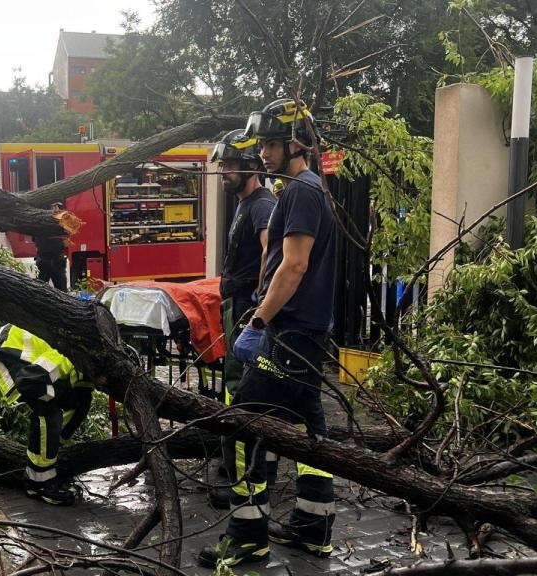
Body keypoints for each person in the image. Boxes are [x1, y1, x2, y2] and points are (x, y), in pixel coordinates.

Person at [198, 98, 337, 567]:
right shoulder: (309, 189)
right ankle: (312, 527)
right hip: (307, 333)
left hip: (288, 332)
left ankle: (246, 537)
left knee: (242, 426)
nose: (264, 151)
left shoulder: (299, 191)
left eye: (271, 143)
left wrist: (259, 319)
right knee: (310, 433)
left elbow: (293, 265)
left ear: (295, 143)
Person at [208, 129, 277, 509]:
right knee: (234, 388)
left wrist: (259, 301)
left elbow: (271, 249)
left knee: (239, 391)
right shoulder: (244, 204)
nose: (225, 172)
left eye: (231, 165)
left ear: (251, 165)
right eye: (224, 165)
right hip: (236, 303)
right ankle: (235, 468)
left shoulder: (263, 206)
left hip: (246, 308)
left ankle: (239, 482)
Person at [0, 324, 92, 506]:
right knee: (48, 412)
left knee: (80, 400)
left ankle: (49, 453)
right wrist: (51, 400)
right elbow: (30, 381)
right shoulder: (67, 358)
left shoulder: (83, 363)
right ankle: (40, 481)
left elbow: (81, 396)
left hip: (30, 357)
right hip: (8, 353)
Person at [33, 203, 68, 290]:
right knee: (62, 291)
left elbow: (35, 242)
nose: (57, 209)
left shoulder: (37, 224)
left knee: (40, 291)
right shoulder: (59, 224)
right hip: (57, 261)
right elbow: (66, 243)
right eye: (55, 207)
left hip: (42, 260)